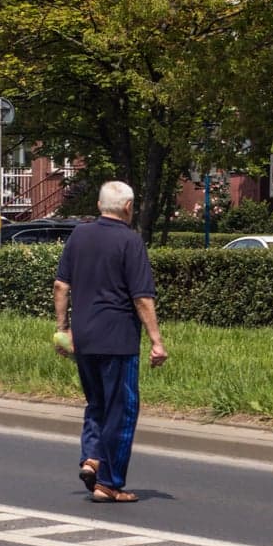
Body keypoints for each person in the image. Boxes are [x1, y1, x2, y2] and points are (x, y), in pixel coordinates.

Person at [53, 181, 167, 503]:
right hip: (118, 339)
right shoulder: (130, 241)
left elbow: (61, 286)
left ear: (100, 204)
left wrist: (64, 330)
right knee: (124, 409)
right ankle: (109, 483)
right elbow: (142, 298)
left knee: (97, 404)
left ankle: (91, 457)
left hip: (84, 338)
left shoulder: (79, 235)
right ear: (128, 207)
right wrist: (157, 341)